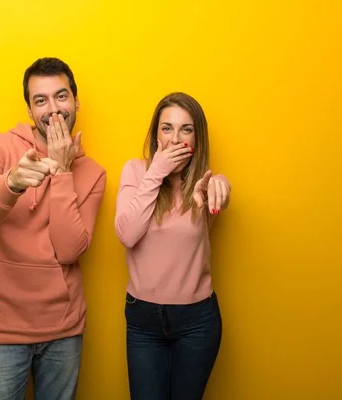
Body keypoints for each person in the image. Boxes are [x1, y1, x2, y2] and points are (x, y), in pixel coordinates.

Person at [0, 57, 106, 400]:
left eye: (61, 96)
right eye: (40, 100)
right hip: (1, 329)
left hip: (63, 329)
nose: (53, 109)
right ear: (30, 110)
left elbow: (69, 250)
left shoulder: (93, 173)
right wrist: (12, 182)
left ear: (76, 102)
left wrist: (61, 172)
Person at [114, 92, 231, 400]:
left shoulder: (205, 184)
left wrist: (221, 185)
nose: (175, 139)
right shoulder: (136, 172)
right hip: (143, 323)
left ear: (197, 138)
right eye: (166, 128)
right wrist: (157, 171)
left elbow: (220, 190)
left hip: (197, 321)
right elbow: (127, 234)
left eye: (186, 129)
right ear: (155, 135)